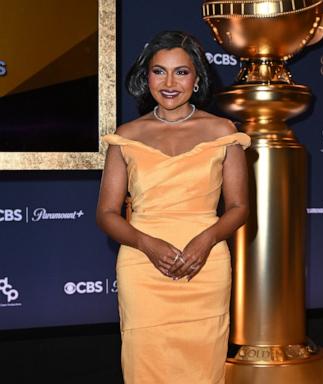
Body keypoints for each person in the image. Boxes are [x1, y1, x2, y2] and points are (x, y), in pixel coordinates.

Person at [96, 30, 250, 384]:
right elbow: (106, 213)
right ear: (145, 76)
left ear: (197, 79)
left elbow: (239, 207)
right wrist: (147, 244)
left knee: (202, 363)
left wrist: (206, 241)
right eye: (158, 71)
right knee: (145, 360)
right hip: (141, 266)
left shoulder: (222, 131)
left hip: (206, 265)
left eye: (181, 72)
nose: (169, 82)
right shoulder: (127, 135)